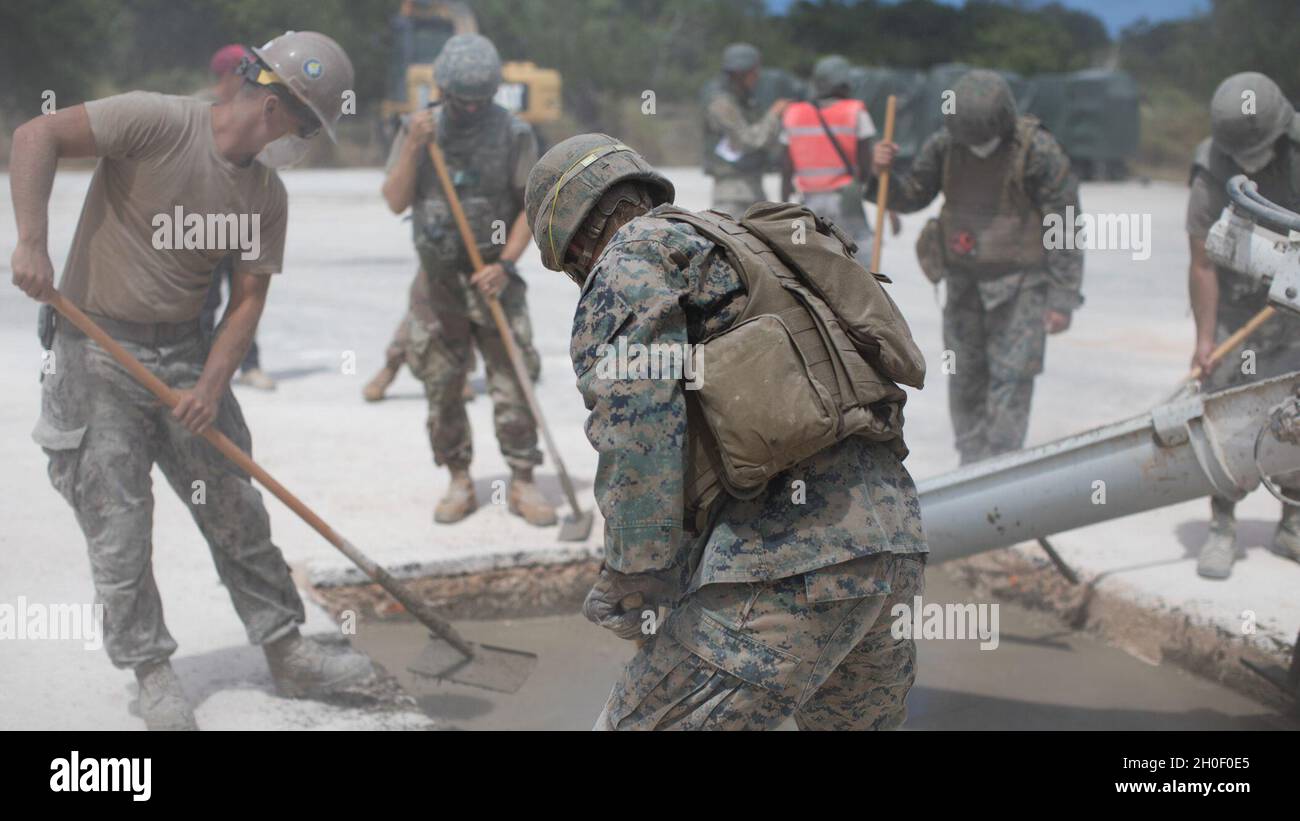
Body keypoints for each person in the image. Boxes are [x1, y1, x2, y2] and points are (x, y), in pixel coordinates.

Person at [9, 31, 374, 730]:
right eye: (308, 126)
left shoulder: (266, 194)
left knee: (233, 501)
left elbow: (247, 301)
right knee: (119, 524)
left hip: (184, 353)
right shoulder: (156, 120)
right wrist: (30, 239)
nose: (303, 141)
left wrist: (210, 384)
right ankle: (150, 672)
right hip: (95, 349)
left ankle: (286, 646)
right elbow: (36, 134)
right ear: (279, 109)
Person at [525, 133, 929, 730]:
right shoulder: (745, 246)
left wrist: (633, 575)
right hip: (893, 544)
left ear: (578, 238)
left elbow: (638, 430)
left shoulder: (631, 259)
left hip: (788, 562)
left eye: (571, 266)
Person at [379, 33, 555, 526]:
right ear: (444, 91)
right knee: (442, 383)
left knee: (514, 381)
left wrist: (507, 263)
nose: (473, 110)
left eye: (482, 101)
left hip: (494, 280)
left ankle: (523, 480)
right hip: (439, 286)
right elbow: (394, 199)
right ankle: (458, 478)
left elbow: (529, 207)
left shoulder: (514, 133)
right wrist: (414, 144)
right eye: (463, 101)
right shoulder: (420, 130)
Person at [873, 69, 1084, 464]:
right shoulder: (945, 146)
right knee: (965, 381)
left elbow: (1064, 226)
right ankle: (970, 472)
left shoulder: (1038, 151)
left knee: (1011, 384)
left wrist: (1063, 297)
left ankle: (1001, 476)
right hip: (963, 285)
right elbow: (911, 195)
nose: (977, 147)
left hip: (1021, 289)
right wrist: (879, 172)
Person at [1186, 71, 1300, 579]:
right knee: (1225, 411)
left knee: (1295, 416)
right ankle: (1223, 525)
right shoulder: (1212, 164)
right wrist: (1206, 339)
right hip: (1237, 305)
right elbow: (1203, 263)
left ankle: (1293, 518)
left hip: (1297, 303)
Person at [199, 44, 276, 391]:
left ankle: (250, 365)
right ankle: (199, 367)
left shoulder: (257, 109)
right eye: (246, 76)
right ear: (230, 75)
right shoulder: (201, 108)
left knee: (247, 296)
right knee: (204, 300)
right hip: (203, 222)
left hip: (245, 219)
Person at [780, 54, 877, 258]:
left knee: (812, 261)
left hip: (808, 203)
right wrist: (862, 188)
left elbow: (786, 166)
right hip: (844, 200)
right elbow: (866, 165)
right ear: (845, 82)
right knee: (858, 259)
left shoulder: (793, 113)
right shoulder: (855, 111)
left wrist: (784, 204)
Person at [703, 43, 788, 216]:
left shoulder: (743, 102)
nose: (757, 77)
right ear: (740, 74)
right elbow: (749, 140)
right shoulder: (721, 104)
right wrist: (774, 115)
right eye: (753, 73)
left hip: (751, 191)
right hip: (732, 196)